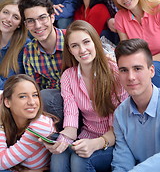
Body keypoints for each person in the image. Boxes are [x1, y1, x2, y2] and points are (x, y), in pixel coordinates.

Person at [41, 20, 128, 172]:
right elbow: (71, 121)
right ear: (70, 50)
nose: (82, 50)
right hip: (86, 135)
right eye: (75, 46)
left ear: (95, 42)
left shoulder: (114, 72)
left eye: (86, 42)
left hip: (113, 140)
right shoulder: (68, 76)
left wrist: (96, 143)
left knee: (79, 159)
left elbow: (118, 128)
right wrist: (61, 141)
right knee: (59, 155)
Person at [112, 38, 160, 171]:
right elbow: (122, 160)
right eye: (124, 70)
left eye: (137, 68)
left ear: (151, 71)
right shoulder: (120, 114)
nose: (131, 77)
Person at [18, 0, 64, 130]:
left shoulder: (72, 40)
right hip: (54, 109)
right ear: (26, 25)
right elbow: (35, 89)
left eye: (42, 18)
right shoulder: (29, 52)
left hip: (83, 104)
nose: (37, 25)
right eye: (31, 21)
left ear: (52, 17)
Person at [109, 0, 160, 87]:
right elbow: (127, 52)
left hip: (150, 67)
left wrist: (144, 63)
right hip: (140, 68)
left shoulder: (158, 8)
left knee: (152, 71)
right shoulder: (120, 17)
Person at [0, 74, 58, 171]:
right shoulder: (7, 122)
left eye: (35, 95)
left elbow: (1, 163)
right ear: (7, 102)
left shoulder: (40, 124)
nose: (32, 102)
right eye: (23, 96)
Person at [0, 0, 30, 90]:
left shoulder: (24, 46)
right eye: (5, 12)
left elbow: (9, 84)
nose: (8, 19)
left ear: (20, 24)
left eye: (15, 17)